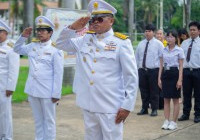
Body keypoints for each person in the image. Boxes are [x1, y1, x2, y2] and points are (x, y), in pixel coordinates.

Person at [56, 0, 138, 139]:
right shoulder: (84, 39)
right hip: (88, 105)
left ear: (111, 21)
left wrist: (127, 106)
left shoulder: (121, 43)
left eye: (100, 19)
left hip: (110, 106)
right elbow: (60, 44)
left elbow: (131, 77)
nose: (95, 23)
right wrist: (72, 28)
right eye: (92, 20)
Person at [13, 16, 64, 140]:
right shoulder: (32, 46)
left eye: (43, 30)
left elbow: (58, 73)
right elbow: (16, 49)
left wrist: (56, 94)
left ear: (50, 32)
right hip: (33, 89)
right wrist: (23, 36)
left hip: (48, 92)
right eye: (38, 30)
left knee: (49, 121)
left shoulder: (56, 50)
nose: (40, 32)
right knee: (38, 121)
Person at [135, 24, 164, 116]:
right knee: (143, 90)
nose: (147, 33)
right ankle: (144, 108)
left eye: (149, 31)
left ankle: (154, 109)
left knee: (154, 91)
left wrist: (160, 73)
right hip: (142, 70)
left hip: (153, 71)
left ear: (153, 33)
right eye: (146, 31)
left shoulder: (159, 44)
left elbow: (162, 58)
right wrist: (137, 69)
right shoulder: (141, 44)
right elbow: (137, 57)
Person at [158, 30, 184, 130]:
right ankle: (166, 120)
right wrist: (159, 79)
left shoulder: (179, 50)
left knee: (175, 100)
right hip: (165, 74)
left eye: (172, 37)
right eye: (168, 37)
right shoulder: (163, 50)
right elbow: (160, 66)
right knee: (166, 99)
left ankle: (174, 122)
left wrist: (180, 80)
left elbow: (181, 66)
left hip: (175, 74)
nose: (169, 38)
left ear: (176, 38)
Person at [0, 20, 19, 140]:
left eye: (0, 32)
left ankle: (7, 137)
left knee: (5, 114)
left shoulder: (12, 48)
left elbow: (14, 69)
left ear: (6, 33)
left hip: (4, 87)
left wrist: (10, 88)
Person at [178, 21, 200, 123]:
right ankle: (185, 113)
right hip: (186, 72)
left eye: (194, 30)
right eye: (190, 30)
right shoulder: (184, 43)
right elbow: (180, 59)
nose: (192, 32)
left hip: (197, 72)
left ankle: (197, 114)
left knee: (198, 94)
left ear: (199, 31)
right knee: (186, 94)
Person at [155, 29, 167, 110]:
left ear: (163, 35)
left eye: (160, 34)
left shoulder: (166, 44)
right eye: (158, 34)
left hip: (164, 68)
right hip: (156, 67)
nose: (159, 35)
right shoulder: (154, 43)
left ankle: (162, 104)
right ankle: (156, 103)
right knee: (155, 86)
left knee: (162, 86)